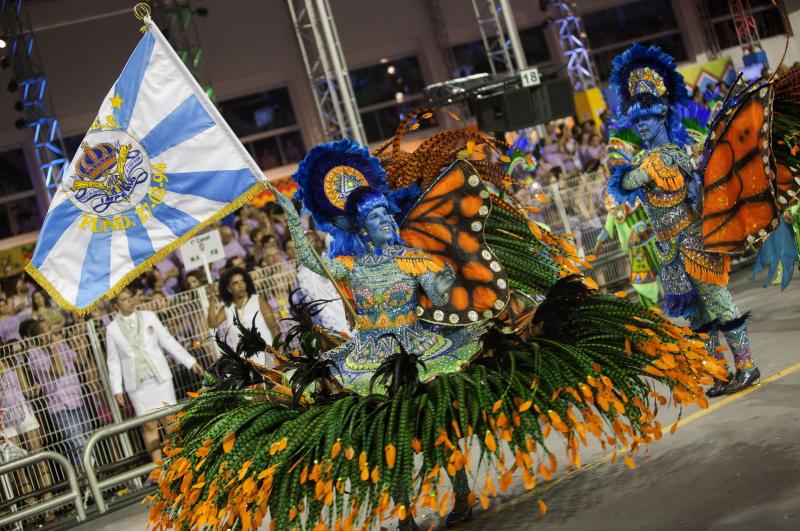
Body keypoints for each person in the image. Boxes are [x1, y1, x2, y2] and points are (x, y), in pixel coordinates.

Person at [151, 132, 722, 531]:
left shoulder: (413, 261)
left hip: (420, 344)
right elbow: (311, 258)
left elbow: (450, 300)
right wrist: (286, 210)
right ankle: (403, 511)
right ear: (358, 226)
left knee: (435, 421)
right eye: (373, 218)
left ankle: (462, 496)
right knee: (395, 433)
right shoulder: (348, 266)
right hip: (371, 355)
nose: (382, 221)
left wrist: (451, 273)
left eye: (385, 216)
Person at [607, 43, 758, 396]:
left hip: (692, 242)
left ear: (662, 117)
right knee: (696, 317)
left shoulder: (668, 155)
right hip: (669, 250)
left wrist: (625, 169)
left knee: (719, 302)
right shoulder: (648, 156)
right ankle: (718, 373)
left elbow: (628, 181)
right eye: (638, 120)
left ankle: (747, 366)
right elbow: (627, 184)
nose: (642, 125)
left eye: (648, 118)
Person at [105, 288, 204, 464]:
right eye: (124, 299)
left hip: (160, 378)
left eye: (130, 297)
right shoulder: (112, 329)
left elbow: (168, 341)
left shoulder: (149, 316)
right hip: (137, 385)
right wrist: (117, 389)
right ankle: (158, 469)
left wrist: (190, 362)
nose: (129, 301)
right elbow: (113, 361)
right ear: (116, 305)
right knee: (149, 424)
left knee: (170, 420)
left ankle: (181, 461)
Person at [23, 319, 90, 469]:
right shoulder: (34, 355)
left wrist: (81, 344)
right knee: (78, 443)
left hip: (77, 400)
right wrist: (53, 349)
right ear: (38, 336)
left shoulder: (61, 345)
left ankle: (92, 481)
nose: (51, 331)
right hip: (59, 406)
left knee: (88, 439)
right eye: (46, 329)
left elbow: (81, 361)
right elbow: (58, 370)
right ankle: (86, 481)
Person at [0, 340, 54, 518]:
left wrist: (33, 390)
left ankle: (49, 504)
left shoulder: (12, 361)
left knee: (37, 455)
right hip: (4, 421)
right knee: (18, 467)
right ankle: (32, 509)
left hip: (24, 412)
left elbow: (25, 390)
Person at [206, 267, 278, 367]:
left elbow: (273, 326)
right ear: (229, 289)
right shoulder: (227, 308)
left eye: (242, 281)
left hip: (267, 355)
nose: (241, 286)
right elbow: (212, 324)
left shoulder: (258, 300)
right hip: (245, 361)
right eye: (235, 283)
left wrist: (279, 347)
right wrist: (211, 300)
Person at [294, 230, 352, 336]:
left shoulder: (332, 261)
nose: (308, 246)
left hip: (340, 318)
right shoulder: (300, 273)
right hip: (319, 326)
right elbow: (298, 299)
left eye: (311, 242)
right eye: (304, 244)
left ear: (320, 243)